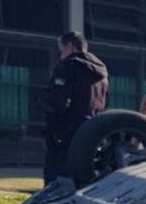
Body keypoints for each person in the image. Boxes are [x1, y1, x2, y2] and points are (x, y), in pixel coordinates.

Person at [40, 31, 109, 184]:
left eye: (62, 51)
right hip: (92, 133)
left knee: (57, 181)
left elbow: (58, 102)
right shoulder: (101, 73)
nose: (60, 56)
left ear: (70, 47)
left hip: (65, 134)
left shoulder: (68, 67)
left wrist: (46, 97)